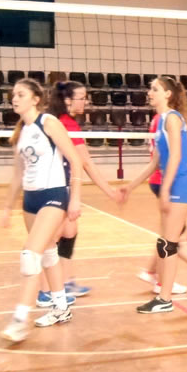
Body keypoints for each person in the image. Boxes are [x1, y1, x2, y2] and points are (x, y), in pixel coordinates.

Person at [117, 76, 187, 312]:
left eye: (155, 89)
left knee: (168, 244)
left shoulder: (173, 118)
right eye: (150, 89)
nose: (149, 93)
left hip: (180, 187)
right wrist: (130, 186)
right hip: (177, 185)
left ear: (168, 94)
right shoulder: (162, 120)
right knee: (171, 242)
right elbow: (156, 162)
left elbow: (175, 156)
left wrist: (165, 189)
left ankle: (165, 300)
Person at [0, 79, 83, 342]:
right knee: (47, 253)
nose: (15, 98)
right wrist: (7, 207)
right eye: (13, 94)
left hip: (54, 195)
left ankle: (19, 320)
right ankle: (60, 307)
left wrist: (75, 198)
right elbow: (17, 175)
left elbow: (75, 159)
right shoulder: (21, 132)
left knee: (30, 255)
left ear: (35, 99)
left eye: (20, 94)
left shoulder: (48, 122)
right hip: (31, 199)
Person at [35, 80, 120, 306]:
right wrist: (110, 191)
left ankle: (65, 281)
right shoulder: (66, 124)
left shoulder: (60, 120)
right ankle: (45, 290)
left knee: (70, 231)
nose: (86, 102)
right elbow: (85, 163)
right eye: (82, 97)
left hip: (57, 184)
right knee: (50, 238)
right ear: (67, 100)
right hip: (55, 186)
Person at [136, 112, 187, 294]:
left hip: (160, 180)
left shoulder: (160, 119)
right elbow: (172, 156)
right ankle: (161, 281)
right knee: (172, 235)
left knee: (169, 232)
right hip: (164, 180)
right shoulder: (168, 119)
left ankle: (152, 272)